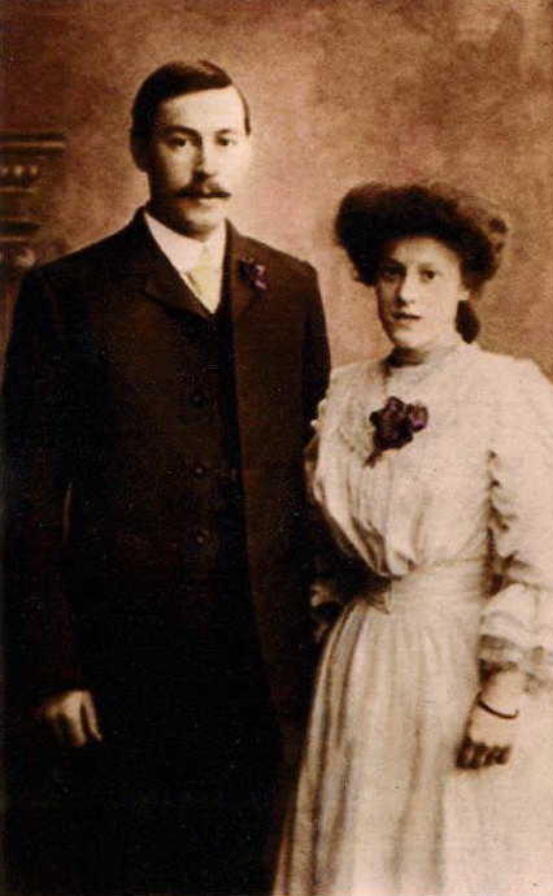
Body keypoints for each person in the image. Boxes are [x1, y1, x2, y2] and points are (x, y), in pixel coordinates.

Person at [3, 59, 330, 895]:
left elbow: (314, 470)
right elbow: (26, 499)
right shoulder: (68, 294)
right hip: (125, 665)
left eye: (225, 140)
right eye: (181, 141)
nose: (206, 165)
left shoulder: (288, 287)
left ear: (251, 149)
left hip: (265, 663)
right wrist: (53, 667)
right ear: (141, 151)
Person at [273, 182, 553, 896]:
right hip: (364, 664)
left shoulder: (505, 392)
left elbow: (541, 556)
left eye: (429, 275)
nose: (406, 295)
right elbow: (326, 553)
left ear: (463, 288)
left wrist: (502, 695)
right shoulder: (345, 396)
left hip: (466, 664)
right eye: (391, 272)